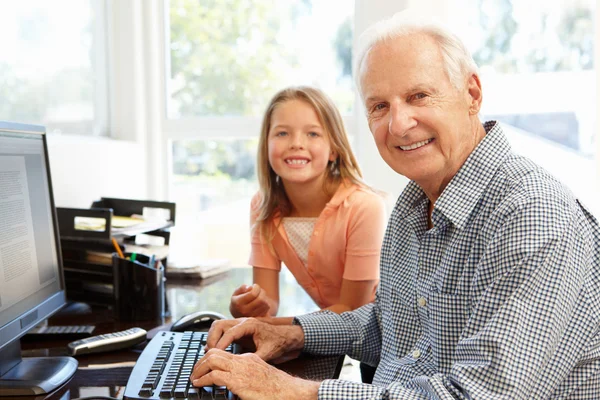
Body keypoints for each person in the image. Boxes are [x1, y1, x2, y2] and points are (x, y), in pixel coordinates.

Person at [190, 11, 600, 400]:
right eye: (379, 106)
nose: (399, 124)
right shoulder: (414, 202)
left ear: (471, 94)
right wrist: (291, 334)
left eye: (418, 95)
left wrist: (295, 391)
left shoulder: (534, 215)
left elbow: (481, 395)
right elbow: (392, 323)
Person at [228, 86, 385, 325]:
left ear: (333, 149)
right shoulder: (263, 205)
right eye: (282, 134)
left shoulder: (364, 206)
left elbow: (354, 310)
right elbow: (268, 303)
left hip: (390, 341)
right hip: (339, 334)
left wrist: (263, 326)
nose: (296, 144)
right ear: (266, 145)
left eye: (312, 134)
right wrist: (246, 308)